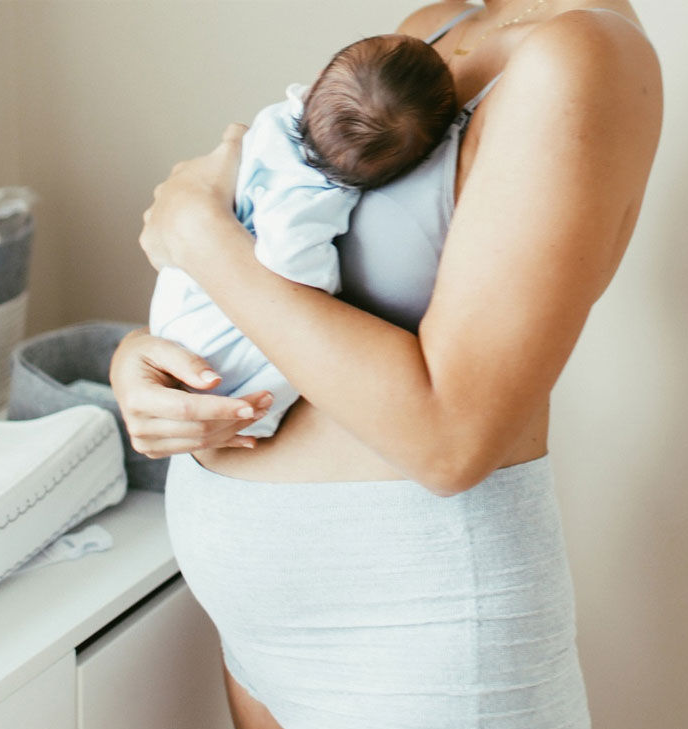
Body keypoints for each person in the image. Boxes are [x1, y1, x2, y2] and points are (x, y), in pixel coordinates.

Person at [110, 1, 662, 729]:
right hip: (267, 646)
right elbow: (310, 303)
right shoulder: (435, 26)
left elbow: (451, 440)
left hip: (412, 654)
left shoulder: (580, 54)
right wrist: (147, 360)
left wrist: (199, 237)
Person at [149, 34, 457, 436]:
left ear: (316, 83)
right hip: (212, 329)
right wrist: (330, 289)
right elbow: (289, 259)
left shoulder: (276, 119)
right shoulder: (310, 198)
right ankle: (253, 422)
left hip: (179, 298)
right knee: (274, 368)